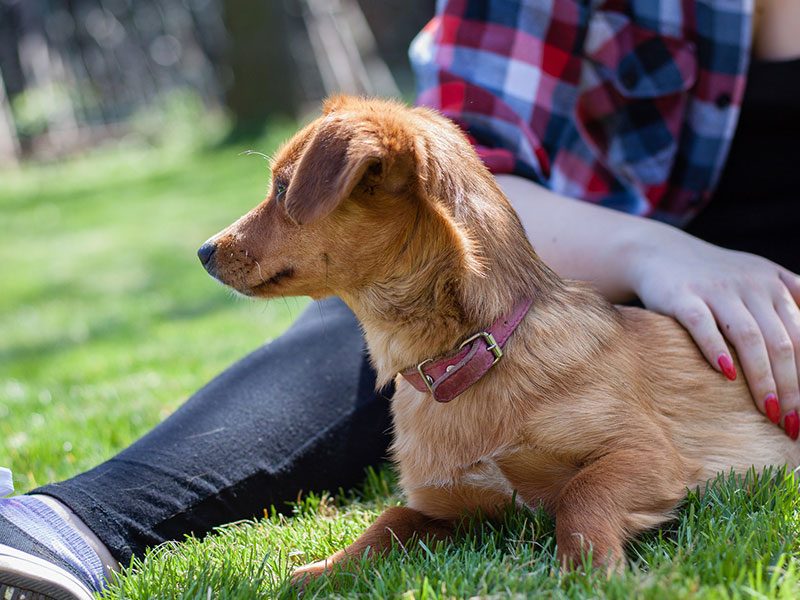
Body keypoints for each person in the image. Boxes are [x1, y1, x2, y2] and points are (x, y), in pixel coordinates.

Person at [2, 1, 799, 598]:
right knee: (375, 315)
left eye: (284, 194)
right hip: (577, 263)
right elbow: (470, 165)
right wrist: (656, 250)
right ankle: (70, 524)